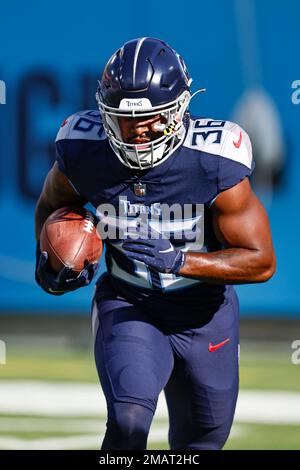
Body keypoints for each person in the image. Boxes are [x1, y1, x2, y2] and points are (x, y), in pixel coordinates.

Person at [34, 37, 276, 450]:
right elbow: (53, 206)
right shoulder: (82, 149)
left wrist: (182, 261)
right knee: (128, 425)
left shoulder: (213, 159)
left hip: (204, 315)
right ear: (105, 113)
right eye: (126, 120)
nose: (139, 130)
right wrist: (54, 263)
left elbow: (261, 261)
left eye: (153, 118)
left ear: (180, 109)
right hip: (130, 302)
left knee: (201, 440)